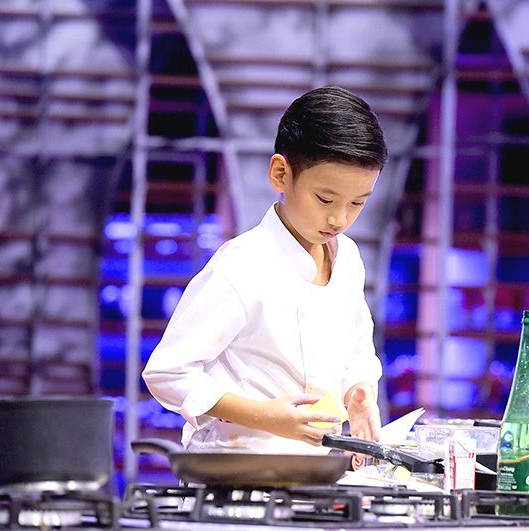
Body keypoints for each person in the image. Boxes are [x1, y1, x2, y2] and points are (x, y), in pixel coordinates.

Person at [142, 86, 387, 454]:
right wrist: (263, 416)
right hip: (235, 470)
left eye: (357, 203)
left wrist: (358, 390)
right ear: (280, 174)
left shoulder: (348, 258)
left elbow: (358, 349)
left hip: (314, 467)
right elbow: (168, 373)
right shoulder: (243, 264)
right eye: (325, 199)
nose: (339, 219)